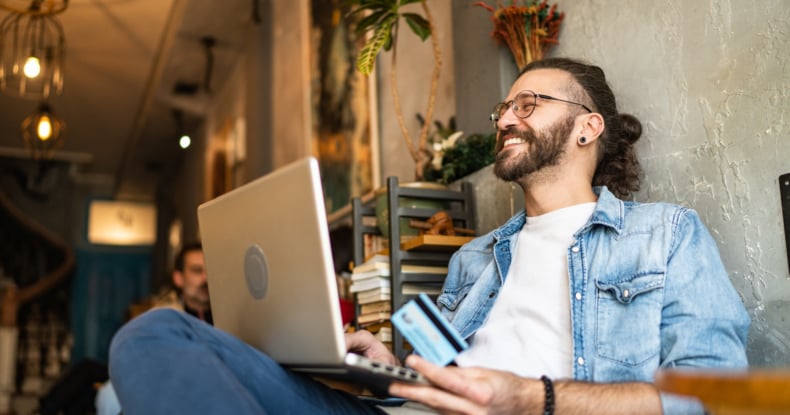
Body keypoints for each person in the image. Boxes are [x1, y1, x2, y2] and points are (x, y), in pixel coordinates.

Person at [108, 57, 750, 414]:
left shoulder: (664, 236)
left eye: (528, 105)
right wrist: (385, 363)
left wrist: (529, 398)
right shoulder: (476, 258)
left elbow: (713, 399)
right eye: (503, 108)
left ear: (587, 128)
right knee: (153, 335)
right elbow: (436, 361)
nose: (506, 119)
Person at [96, 242, 210, 415]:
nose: (205, 278)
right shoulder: (163, 317)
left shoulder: (229, 319)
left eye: (209, 270)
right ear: (178, 278)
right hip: (166, 384)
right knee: (109, 395)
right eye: (196, 271)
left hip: (210, 388)